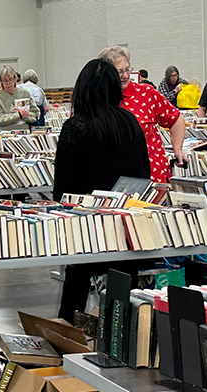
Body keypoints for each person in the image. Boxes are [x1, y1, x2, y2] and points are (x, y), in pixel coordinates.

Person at [53, 59, 152, 323]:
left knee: (74, 291)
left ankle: (67, 339)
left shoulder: (75, 127)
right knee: (125, 296)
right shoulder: (131, 122)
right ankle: (125, 343)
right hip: (125, 223)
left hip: (86, 227)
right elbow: (145, 174)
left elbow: (62, 188)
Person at [99, 46, 186, 183]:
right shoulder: (97, 98)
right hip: (116, 176)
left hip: (153, 173)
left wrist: (178, 150)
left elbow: (175, 119)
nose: (125, 75)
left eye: (128, 69)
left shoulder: (146, 93)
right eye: (119, 72)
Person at [0, 65, 39, 132]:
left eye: (10, 79)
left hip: (24, 133)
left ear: (15, 79)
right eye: (5, 80)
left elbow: (36, 114)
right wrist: (18, 115)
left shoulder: (25, 93)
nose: (8, 83)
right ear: (1, 81)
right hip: (5, 134)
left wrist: (25, 115)